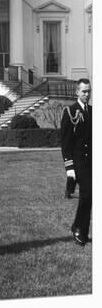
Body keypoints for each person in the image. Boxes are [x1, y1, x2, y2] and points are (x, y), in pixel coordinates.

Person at [60, 78, 92, 246]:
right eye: (84, 91)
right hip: (79, 161)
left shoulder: (93, 111)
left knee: (90, 196)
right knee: (87, 193)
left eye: (89, 91)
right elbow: (65, 142)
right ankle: (77, 228)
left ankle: (83, 231)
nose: (87, 94)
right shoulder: (70, 111)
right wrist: (69, 167)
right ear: (77, 92)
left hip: (92, 162)